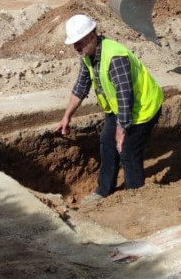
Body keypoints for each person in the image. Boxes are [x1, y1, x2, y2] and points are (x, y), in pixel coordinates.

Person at [57, 13, 163, 200]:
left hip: (144, 108)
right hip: (120, 108)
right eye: (73, 44)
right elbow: (81, 87)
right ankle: (103, 190)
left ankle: (134, 197)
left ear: (91, 37)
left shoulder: (115, 57)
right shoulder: (88, 55)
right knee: (108, 143)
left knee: (128, 151)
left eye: (79, 42)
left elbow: (125, 97)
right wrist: (67, 116)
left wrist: (121, 133)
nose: (76, 48)